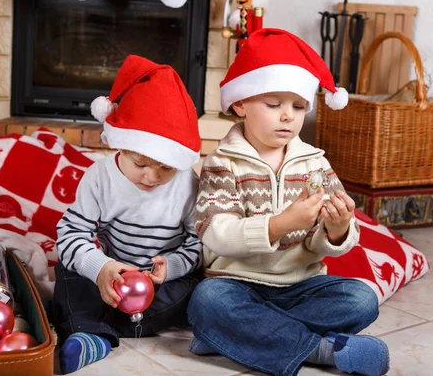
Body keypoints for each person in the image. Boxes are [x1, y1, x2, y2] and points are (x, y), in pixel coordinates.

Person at [187, 28, 390, 376]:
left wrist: (338, 229)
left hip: (300, 286)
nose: (288, 116)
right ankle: (323, 350)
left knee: (362, 299)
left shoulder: (315, 163)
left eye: (298, 107)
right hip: (236, 284)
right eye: (273, 104)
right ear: (240, 104)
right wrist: (282, 223)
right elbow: (214, 232)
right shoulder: (222, 162)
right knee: (208, 301)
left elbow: (320, 241)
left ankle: (233, 335)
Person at [53, 55, 203, 374]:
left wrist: (171, 266)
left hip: (158, 287)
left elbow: (197, 245)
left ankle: (94, 327)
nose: (151, 177)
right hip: (112, 276)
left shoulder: (188, 184)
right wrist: (101, 268)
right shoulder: (100, 176)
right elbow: (69, 234)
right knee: (67, 269)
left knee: (197, 290)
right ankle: (96, 331)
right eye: (140, 164)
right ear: (120, 148)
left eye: (165, 169)